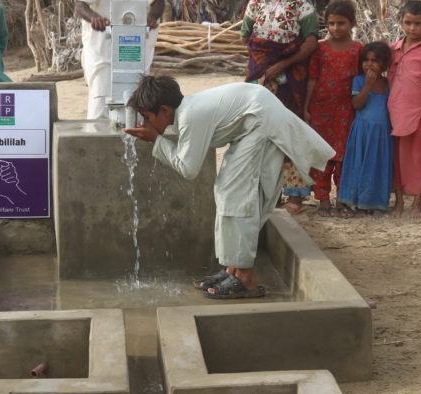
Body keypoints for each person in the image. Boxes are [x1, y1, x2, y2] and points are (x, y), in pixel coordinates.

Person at [124, 75, 334, 300]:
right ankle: (233, 268)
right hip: (257, 116)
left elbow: (188, 168)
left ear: (165, 110)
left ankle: (245, 278)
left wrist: (156, 139)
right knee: (230, 192)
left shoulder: (190, 116)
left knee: (236, 195)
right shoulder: (189, 109)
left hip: (261, 121)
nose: (143, 124)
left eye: (146, 117)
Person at [241, 0, 318, 215]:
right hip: (260, 77)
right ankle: (264, 191)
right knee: (258, 131)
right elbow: (246, 36)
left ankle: (295, 196)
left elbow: (310, 40)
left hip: (291, 77)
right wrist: (263, 62)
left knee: (289, 131)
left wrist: (282, 63)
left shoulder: (300, 0)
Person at [303, 0, 363, 217]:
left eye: (341, 23)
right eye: (331, 23)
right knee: (322, 155)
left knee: (344, 157)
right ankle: (323, 200)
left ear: (352, 24)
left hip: (347, 111)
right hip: (321, 109)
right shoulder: (320, 49)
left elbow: (363, 80)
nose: (336, 28)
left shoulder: (358, 50)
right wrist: (306, 107)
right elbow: (312, 78)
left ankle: (342, 200)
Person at [388, 0, 421, 219]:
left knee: (417, 158)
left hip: (417, 111)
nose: (412, 28)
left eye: (418, 24)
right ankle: (398, 200)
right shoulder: (393, 50)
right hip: (392, 111)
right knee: (396, 158)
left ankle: (417, 202)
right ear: (401, 22)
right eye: (408, 23)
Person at [337, 42, 395, 217]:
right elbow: (357, 104)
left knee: (378, 166)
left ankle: (376, 203)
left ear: (384, 65)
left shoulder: (387, 84)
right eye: (366, 60)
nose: (369, 64)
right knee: (359, 165)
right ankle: (358, 204)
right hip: (362, 132)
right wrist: (367, 86)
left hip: (382, 134)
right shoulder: (359, 80)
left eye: (374, 61)